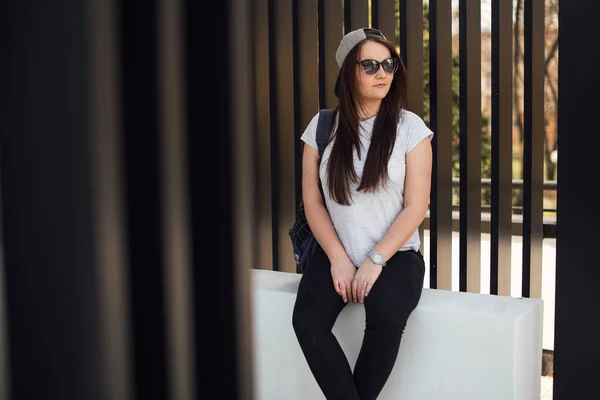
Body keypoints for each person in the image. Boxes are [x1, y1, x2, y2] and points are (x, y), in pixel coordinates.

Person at [291, 27, 434, 400]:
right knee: (306, 321)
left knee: (386, 317)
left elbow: (416, 206)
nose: (382, 73)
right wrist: (339, 259)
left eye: (389, 64)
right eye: (369, 65)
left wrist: (375, 259)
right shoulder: (322, 128)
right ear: (347, 73)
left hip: (396, 255)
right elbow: (314, 202)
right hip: (336, 252)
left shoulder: (410, 128)